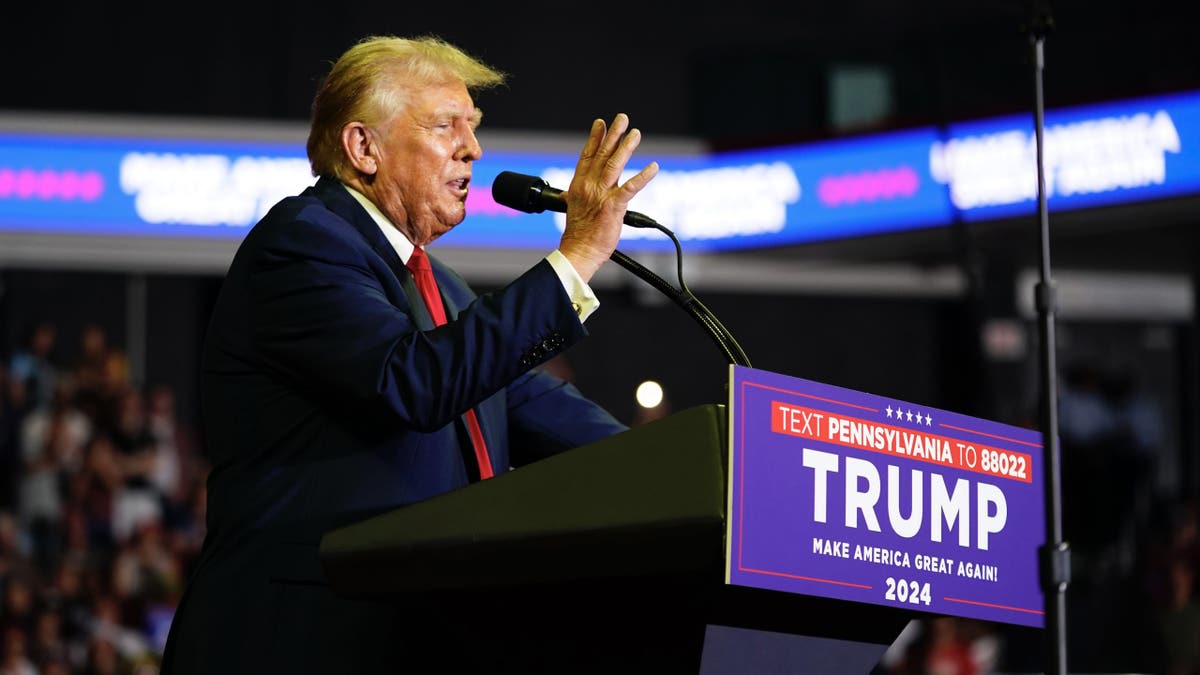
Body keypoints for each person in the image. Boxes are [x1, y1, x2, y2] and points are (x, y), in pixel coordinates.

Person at [160, 34, 658, 673]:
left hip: (413, 639)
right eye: (446, 125)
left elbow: (553, 413)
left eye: (472, 126)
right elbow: (416, 381)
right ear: (363, 147)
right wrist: (579, 255)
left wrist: (716, 464)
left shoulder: (442, 289)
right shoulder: (302, 246)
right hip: (298, 641)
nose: (472, 147)